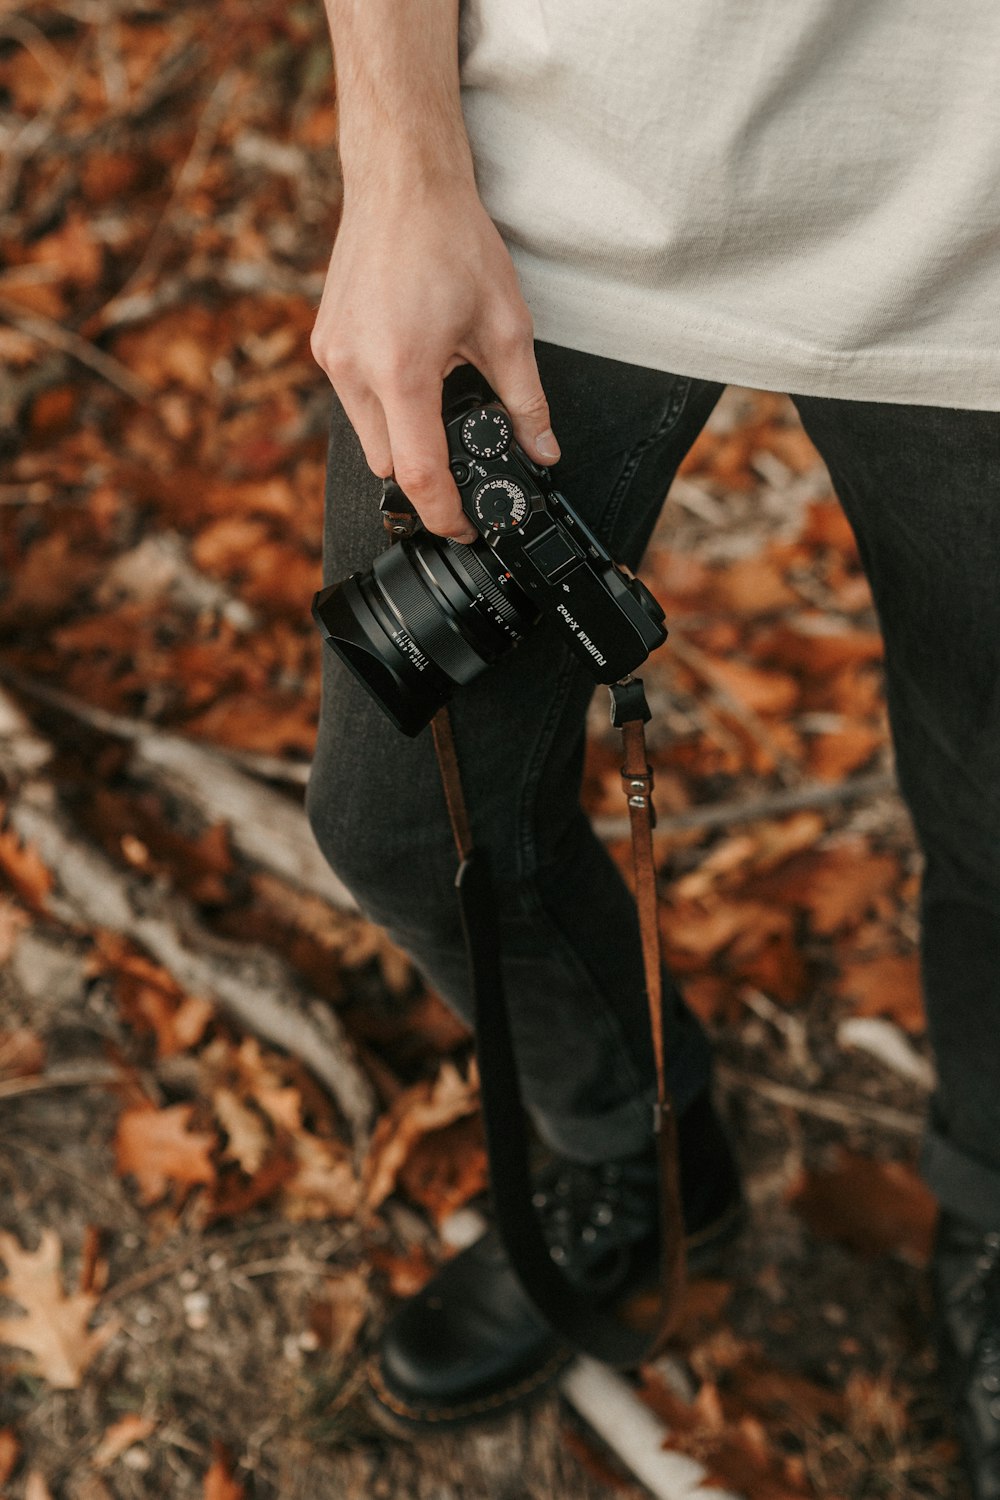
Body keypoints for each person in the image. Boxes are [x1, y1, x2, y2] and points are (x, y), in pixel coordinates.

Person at [304, 2, 1000, 1491]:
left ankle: (994, 1205)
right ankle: (637, 1144)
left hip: (980, 237)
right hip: (545, 178)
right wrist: (396, 160)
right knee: (411, 818)